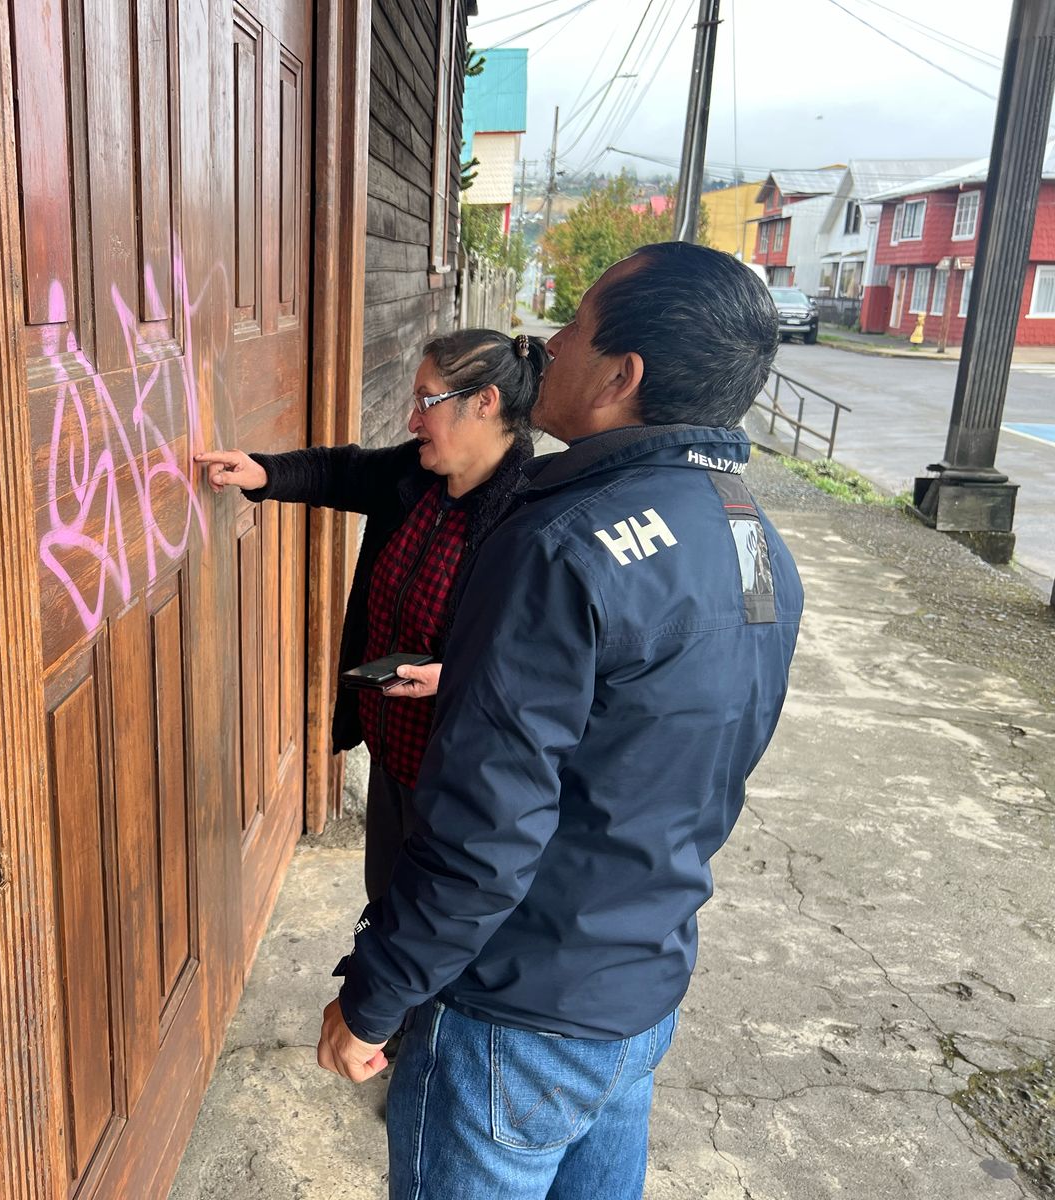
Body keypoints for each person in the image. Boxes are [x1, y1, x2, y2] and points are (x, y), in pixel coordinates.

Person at [314, 242, 804, 1199]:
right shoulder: (748, 530)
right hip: (638, 991)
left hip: (513, 1014)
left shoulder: (558, 543)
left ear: (623, 377)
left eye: (576, 325)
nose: (552, 341)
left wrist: (376, 999)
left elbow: (484, 825)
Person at [195, 330, 547, 907]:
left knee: (436, 925)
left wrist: (459, 677)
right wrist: (260, 472)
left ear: (485, 403)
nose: (412, 421)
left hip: (459, 781)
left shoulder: (530, 515)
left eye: (426, 402)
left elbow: (552, 667)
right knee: (383, 907)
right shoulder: (417, 478)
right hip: (390, 759)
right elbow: (342, 471)